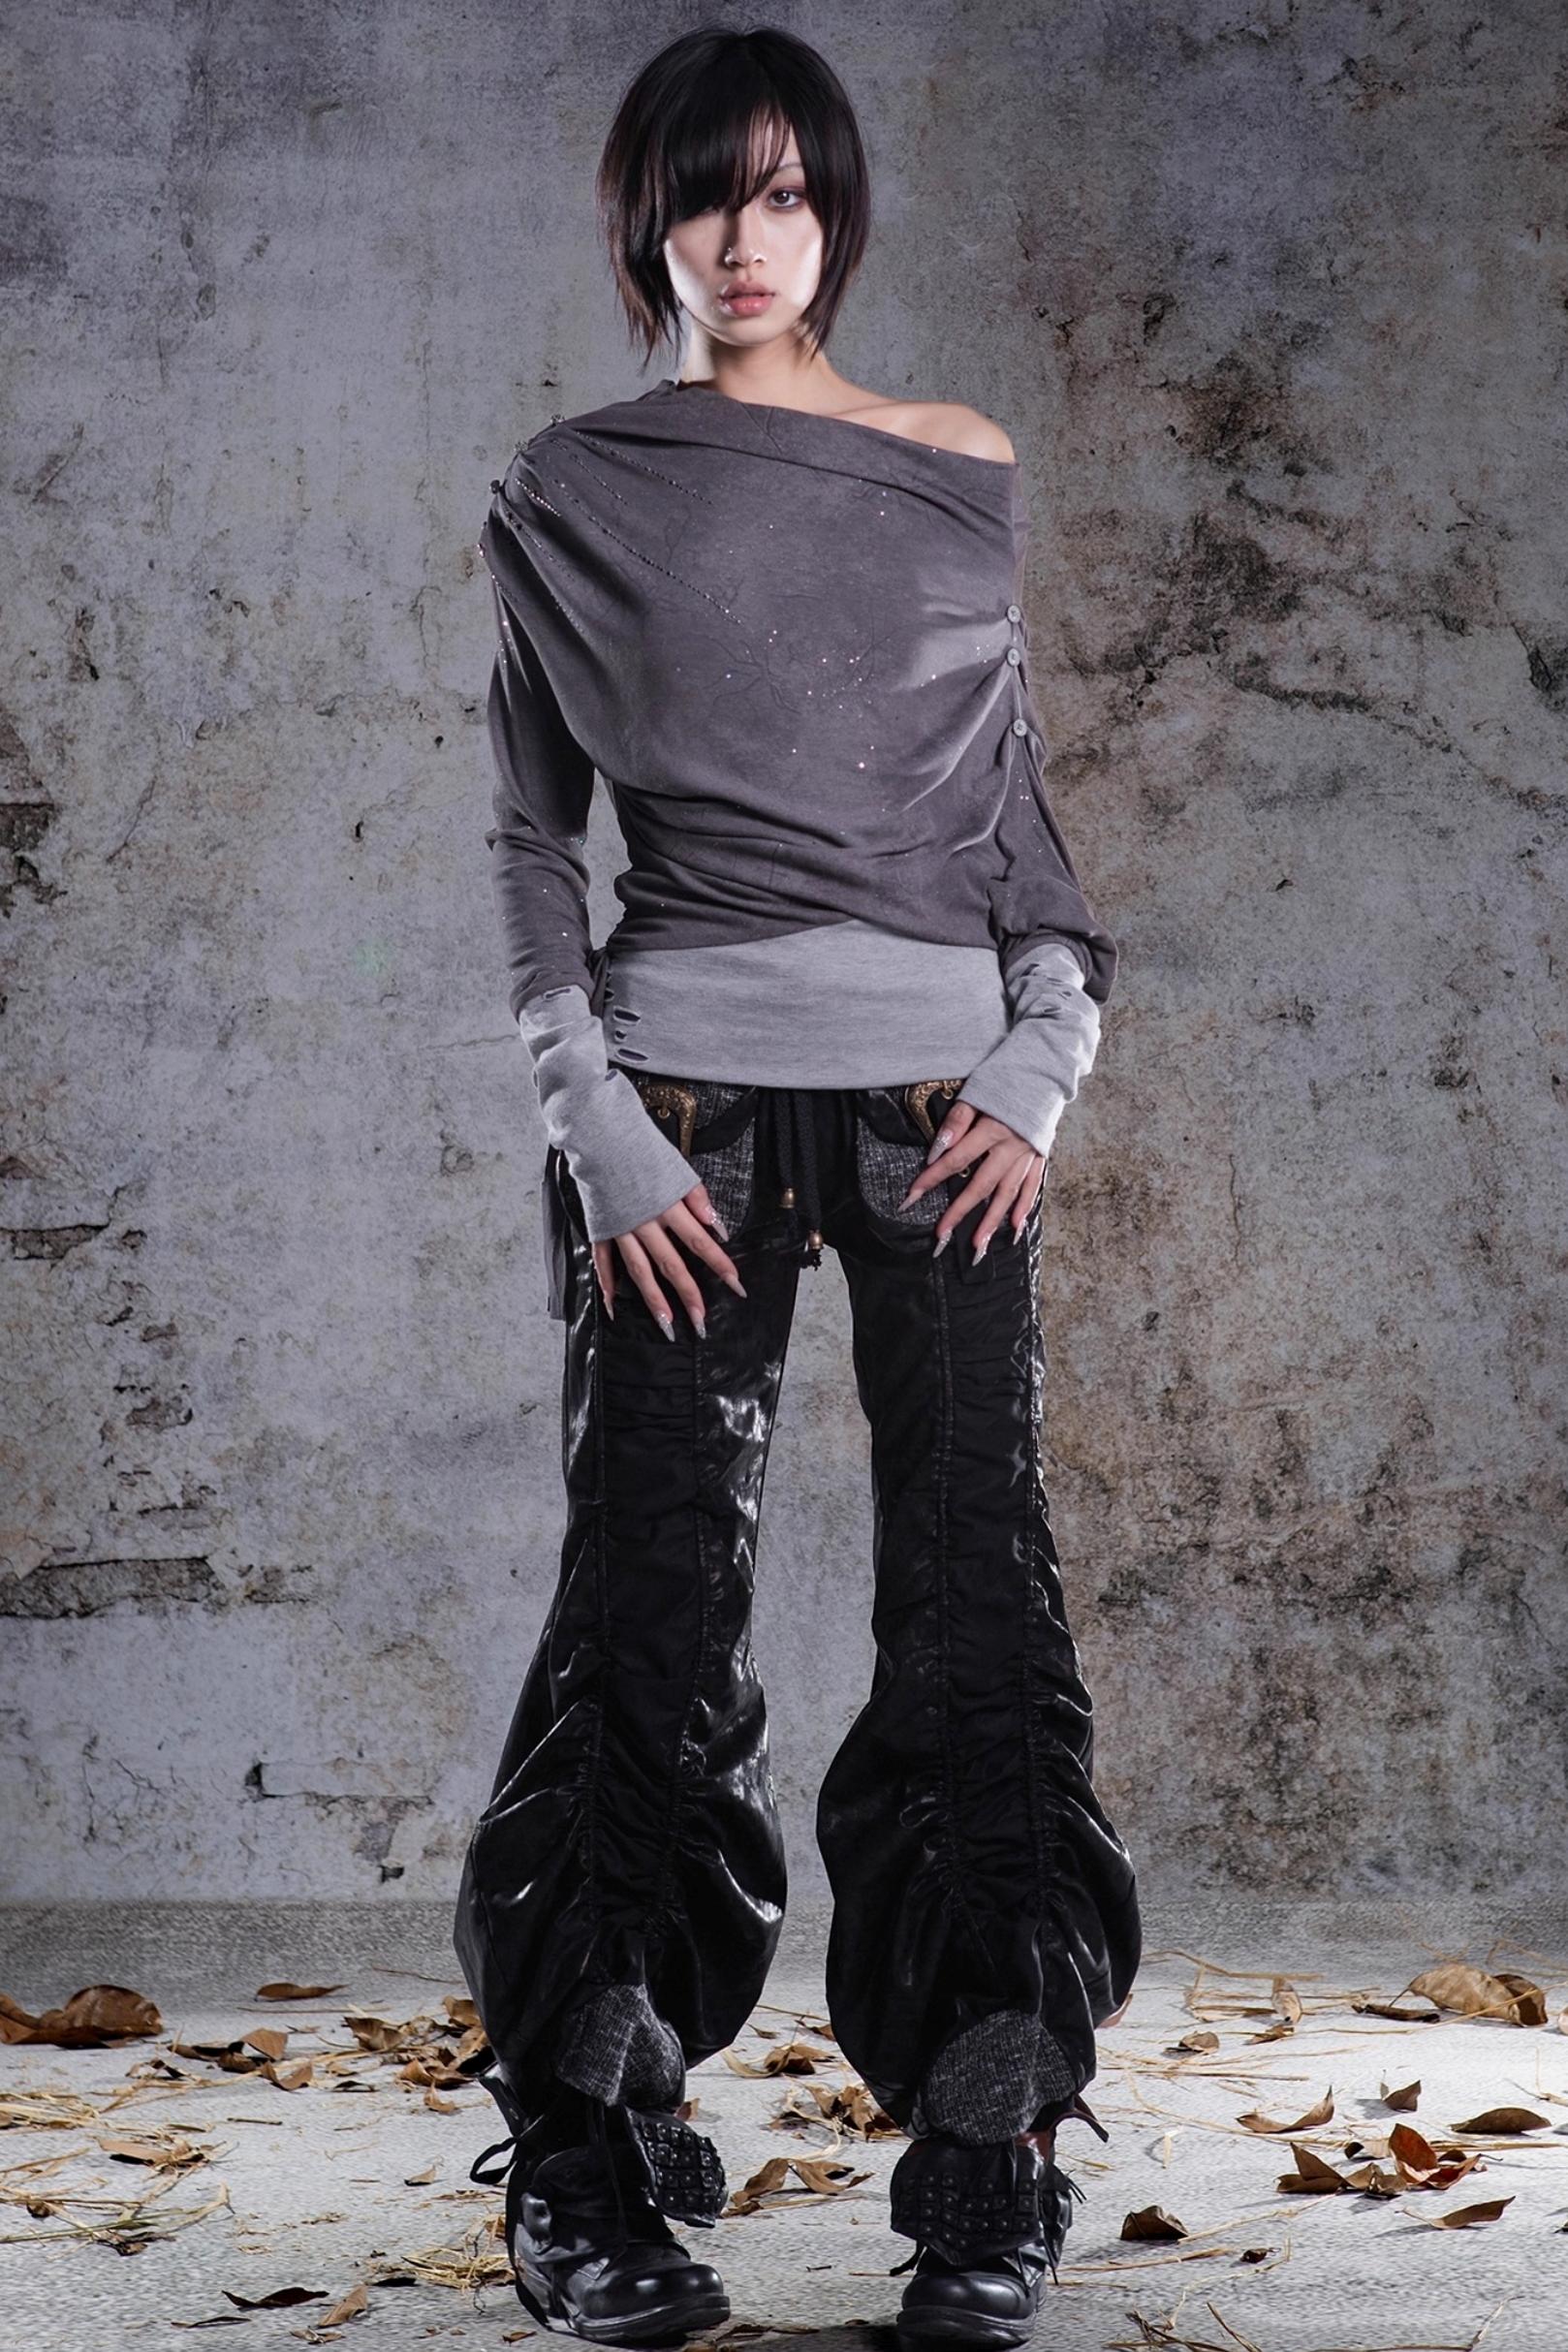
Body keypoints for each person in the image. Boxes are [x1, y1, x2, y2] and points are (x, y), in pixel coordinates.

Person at [452, 26, 1142, 2350]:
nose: (741, 238)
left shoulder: (954, 467)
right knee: (648, 1608)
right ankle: (583, 2138)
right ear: (641, 221)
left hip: (943, 1104)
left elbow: (1011, 823)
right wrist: (593, 1114)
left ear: (832, 212)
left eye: (780, 191)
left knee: (977, 1608)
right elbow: (532, 835)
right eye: (699, 194)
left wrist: (1039, 1066)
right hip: (681, 1111)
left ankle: (989, 2137)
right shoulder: (569, 488)